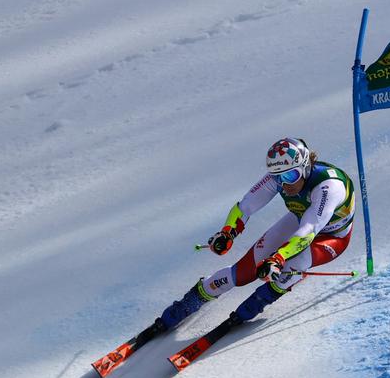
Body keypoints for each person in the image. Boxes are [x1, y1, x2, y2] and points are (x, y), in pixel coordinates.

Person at [148, 136, 356, 341]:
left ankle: (258, 302)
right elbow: (245, 206)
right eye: (279, 178)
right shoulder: (278, 177)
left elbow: (309, 230)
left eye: (291, 176)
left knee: (294, 264)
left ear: (305, 167)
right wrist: (227, 233)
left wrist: (278, 258)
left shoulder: (330, 187)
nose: (285, 185)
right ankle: (188, 302)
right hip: (299, 219)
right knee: (244, 272)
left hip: (331, 236)